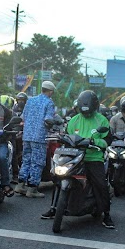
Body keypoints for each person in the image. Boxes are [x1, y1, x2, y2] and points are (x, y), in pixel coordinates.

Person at [43, 90, 115, 229]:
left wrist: (95, 142)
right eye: (83, 111)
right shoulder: (74, 120)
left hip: (93, 157)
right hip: (74, 155)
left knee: (100, 183)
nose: (86, 114)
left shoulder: (101, 120)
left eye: (88, 111)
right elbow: (66, 135)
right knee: (57, 176)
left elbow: (107, 139)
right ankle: (53, 207)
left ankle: (106, 214)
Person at [15, 81, 56, 197]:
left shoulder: (31, 100)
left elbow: (23, 117)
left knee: (26, 159)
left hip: (27, 136)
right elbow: (48, 120)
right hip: (39, 137)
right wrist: (53, 123)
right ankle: (32, 189)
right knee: (37, 162)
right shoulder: (49, 103)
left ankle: (20, 185)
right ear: (50, 91)